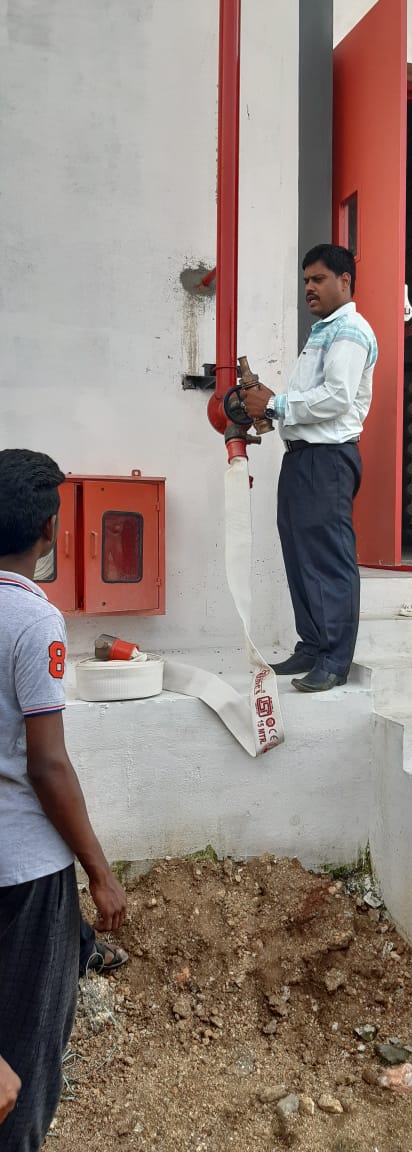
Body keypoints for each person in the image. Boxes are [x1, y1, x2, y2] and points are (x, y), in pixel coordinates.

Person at [0, 448, 127, 1151]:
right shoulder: (32, 621)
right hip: (24, 874)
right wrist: (100, 873)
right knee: (25, 1053)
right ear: (49, 531)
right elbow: (48, 767)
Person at [244, 243, 378, 692]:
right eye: (305, 281)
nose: (309, 288)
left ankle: (335, 660)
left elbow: (338, 396)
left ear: (345, 281)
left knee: (328, 559)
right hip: (302, 457)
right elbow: (310, 399)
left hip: (327, 460)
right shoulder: (323, 332)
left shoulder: (350, 330)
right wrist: (271, 406)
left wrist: (277, 403)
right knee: (300, 554)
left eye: (318, 279)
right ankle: (313, 645)